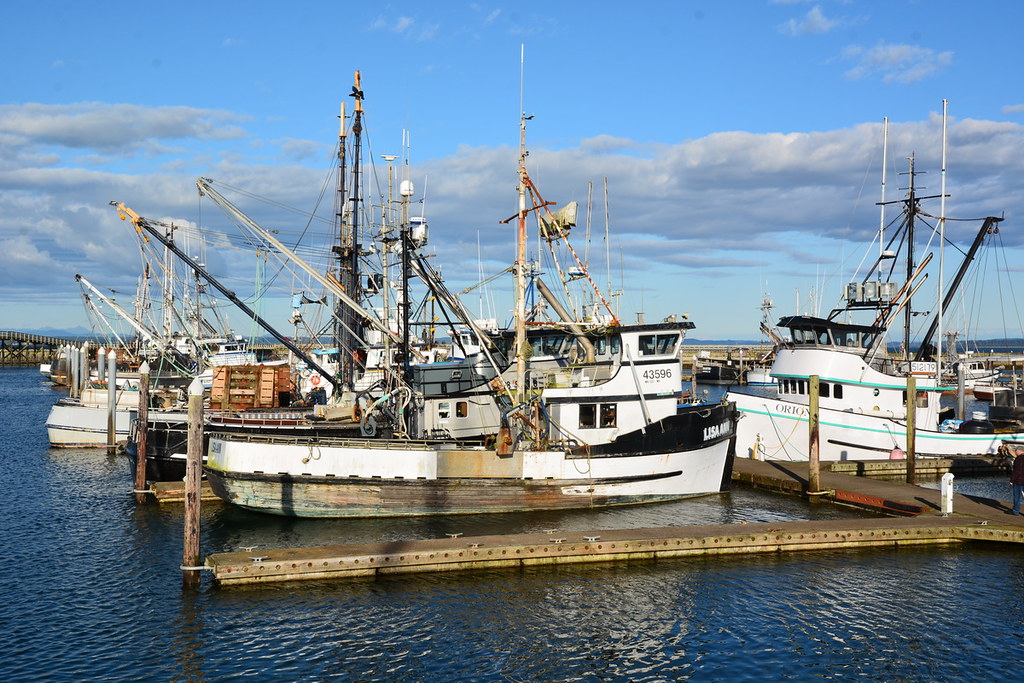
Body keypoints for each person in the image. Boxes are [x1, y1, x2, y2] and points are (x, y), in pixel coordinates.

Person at [1011, 448, 1024, 515]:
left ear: (1019, 451)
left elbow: (1016, 471)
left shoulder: (1018, 459)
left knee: (1017, 496)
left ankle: (1016, 511)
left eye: (1016, 452)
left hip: (1018, 481)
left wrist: (1012, 480)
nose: (1015, 453)